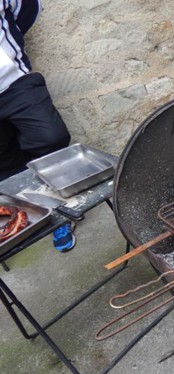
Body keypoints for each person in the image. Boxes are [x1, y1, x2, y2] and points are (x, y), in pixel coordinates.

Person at [1, 0, 75, 251]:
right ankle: (37, 218)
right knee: (7, 167)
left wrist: (8, 54)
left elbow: (26, 9)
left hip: (14, 80)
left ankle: (62, 211)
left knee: (51, 138)